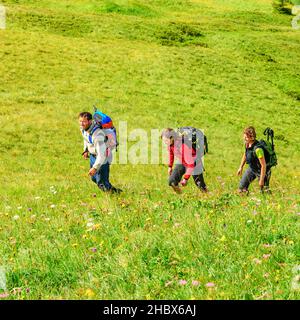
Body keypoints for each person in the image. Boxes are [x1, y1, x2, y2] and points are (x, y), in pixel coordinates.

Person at [78, 112, 121, 193]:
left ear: (90, 121)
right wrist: (86, 150)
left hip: (103, 158)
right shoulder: (83, 129)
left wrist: (95, 168)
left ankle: (116, 195)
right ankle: (113, 191)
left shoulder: (97, 135)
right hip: (93, 156)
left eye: (84, 121)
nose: (81, 124)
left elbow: (102, 155)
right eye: (80, 121)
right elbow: (86, 138)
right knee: (94, 178)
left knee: (102, 183)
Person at [161, 128, 208, 194]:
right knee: (172, 182)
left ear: (172, 138)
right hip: (183, 161)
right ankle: (181, 196)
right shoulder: (170, 144)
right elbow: (171, 153)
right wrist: (170, 166)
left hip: (194, 163)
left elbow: (191, 165)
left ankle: (208, 196)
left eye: (166, 140)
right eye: (163, 141)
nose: (165, 142)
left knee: (200, 186)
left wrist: (185, 179)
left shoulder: (183, 146)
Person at [237, 126, 271, 194]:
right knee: (241, 188)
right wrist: (241, 167)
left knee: (264, 191)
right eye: (244, 137)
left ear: (252, 137)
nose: (244, 139)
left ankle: (271, 202)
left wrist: (261, 179)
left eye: (246, 137)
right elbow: (246, 154)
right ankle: (245, 203)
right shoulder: (247, 144)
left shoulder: (258, 149)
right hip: (252, 168)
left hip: (261, 171)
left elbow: (263, 165)